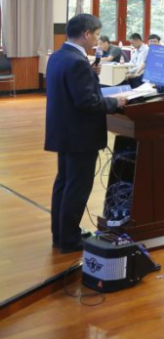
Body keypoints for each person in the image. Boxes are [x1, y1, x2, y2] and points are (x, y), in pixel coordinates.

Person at [46, 14, 127, 253]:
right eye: (97, 34)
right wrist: (116, 102)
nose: (97, 40)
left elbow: (71, 88)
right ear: (86, 34)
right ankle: (70, 240)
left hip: (63, 131)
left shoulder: (59, 56)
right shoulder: (78, 62)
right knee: (77, 188)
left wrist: (91, 74)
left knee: (64, 183)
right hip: (80, 135)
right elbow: (88, 102)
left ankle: (60, 234)